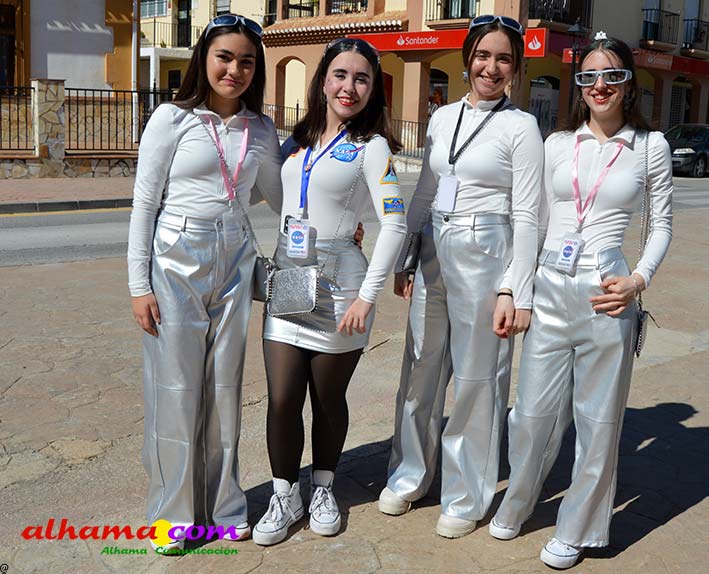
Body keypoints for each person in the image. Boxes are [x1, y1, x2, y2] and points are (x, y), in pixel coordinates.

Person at [489, 33, 673, 570]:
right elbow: (533, 221)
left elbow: (661, 225)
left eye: (612, 75)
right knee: (530, 413)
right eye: (590, 76)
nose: (600, 86)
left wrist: (638, 280)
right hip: (550, 283)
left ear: (628, 83)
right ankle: (519, 499)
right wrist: (513, 287)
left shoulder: (649, 146)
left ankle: (578, 527)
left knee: (598, 421)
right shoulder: (557, 144)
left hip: (607, 290)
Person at [378, 14, 544, 539]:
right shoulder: (443, 117)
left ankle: (466, 494)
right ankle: (410, 474)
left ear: (515, 69)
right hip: (434, 245)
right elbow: (426, 190)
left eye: (503, 59)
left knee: (478, 377)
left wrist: (515, 288)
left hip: (487, 247)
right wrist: (406, 254)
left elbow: (529, 214)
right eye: (483, 56)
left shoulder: (521, 127)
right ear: (468, 57)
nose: (491, 68)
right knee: (420, 366)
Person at [127, 14, 283, 551]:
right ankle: (171, 516)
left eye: (246, 61)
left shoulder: (260, 129)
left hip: (235, 261)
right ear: (204, 59)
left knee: (224, 389)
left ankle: (224, 507)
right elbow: (144, 204)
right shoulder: (172, 118)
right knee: (175, 390)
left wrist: (336, 223)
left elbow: (281, 196)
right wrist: (139, 285)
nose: (234, 70)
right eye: (225, 57)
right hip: (175, 260)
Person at [252, 38, 407, 546]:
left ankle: (322, 487)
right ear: (323, 80)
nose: (349, 87)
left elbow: (395, 223)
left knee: (327, 398)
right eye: (341, 75)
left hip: (342, 287)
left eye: (362, 79)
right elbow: (271, 193)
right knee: (282, 398)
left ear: (373, 89)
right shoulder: (295, 141)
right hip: (290, 276)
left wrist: (367, 296)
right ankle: (284, 494)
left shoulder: (372, 147)